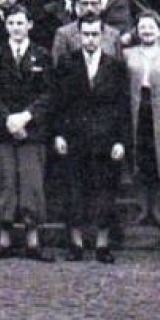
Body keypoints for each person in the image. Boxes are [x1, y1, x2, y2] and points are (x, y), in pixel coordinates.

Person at [50, 21, 131, 263]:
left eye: (95, 34)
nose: (90, 40)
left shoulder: (115, 65)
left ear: (102, 36)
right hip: (74, 136)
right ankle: (75, 243)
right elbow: (58, 102)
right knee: (74, 190)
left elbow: (122, 105)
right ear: (79, 36)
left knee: (104, 190)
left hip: (106, 138)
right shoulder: (67, 63)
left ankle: (102, 244)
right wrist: (59, 134)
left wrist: (121, 140)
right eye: (86, 34)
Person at [0, 6, 53, 262]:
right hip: (3, 130)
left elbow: (47, 93)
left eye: (20, 22)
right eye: (11, 23)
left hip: (31, 131)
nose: (16, 27)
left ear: (30, 25)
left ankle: (33, 240)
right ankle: (4, 239)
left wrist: (26, 117)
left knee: (31, 184)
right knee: (5, 183)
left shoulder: (42, 55)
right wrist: (8, 119)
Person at [123, 11, 160, 229]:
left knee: (159, 161)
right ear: (137, 31)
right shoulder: (128, 54)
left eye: (151, 27)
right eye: (143, 27)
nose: (147, 31)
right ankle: (142, 208)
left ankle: (157, 210)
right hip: (135, 112)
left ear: (159, 30)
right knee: (139, 159)